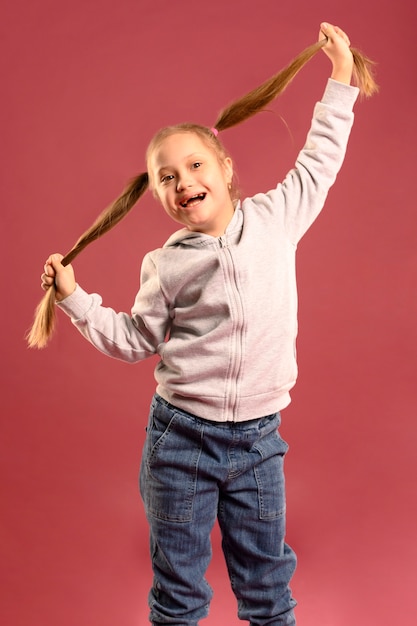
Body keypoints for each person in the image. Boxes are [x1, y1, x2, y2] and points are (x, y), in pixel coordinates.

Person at [37, 23, 376, 626]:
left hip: (258, 442)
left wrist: (341, 78)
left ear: (222, 165)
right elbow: (136, 340)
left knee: (268, 590)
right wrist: (75, 299)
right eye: (166, 178)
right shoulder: (166, 265)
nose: (183, 181)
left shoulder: (275, 218)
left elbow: (320, 158)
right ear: (159, 196)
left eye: (194, 165)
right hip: (181, 441)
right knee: (180, 597)